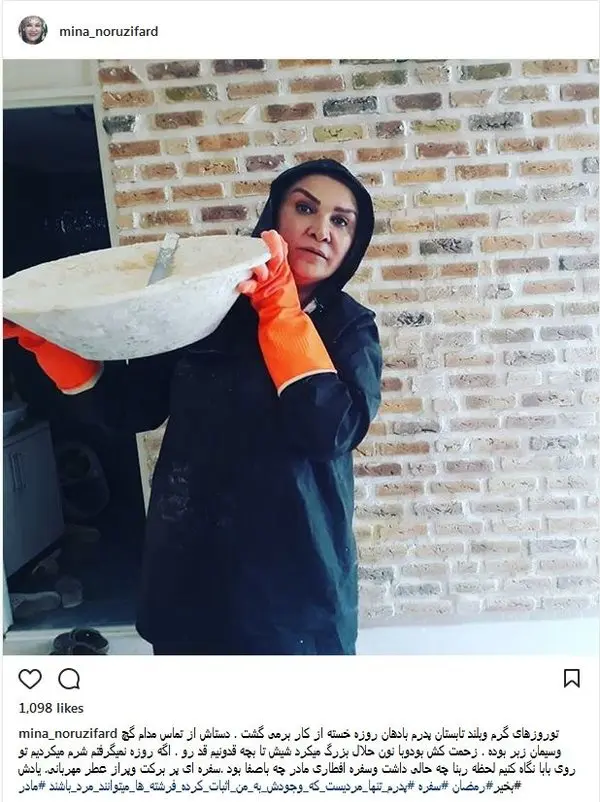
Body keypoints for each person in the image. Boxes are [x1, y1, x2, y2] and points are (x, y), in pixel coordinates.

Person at [3, 159, 383, 655]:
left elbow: (330, 430)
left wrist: (282, 314)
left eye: (341, 221)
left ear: (354, 242)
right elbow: (130, 408)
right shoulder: (207, 306)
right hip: (192, 559)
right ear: (273, 218)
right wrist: (51, 344)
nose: (321, 230)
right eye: (305, 209)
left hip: (295, 568)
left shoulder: (350, 328)